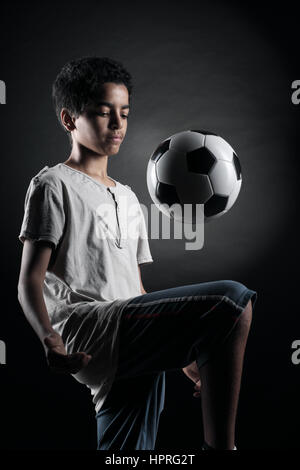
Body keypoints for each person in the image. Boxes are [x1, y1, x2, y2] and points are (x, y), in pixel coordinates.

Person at [17, 56, 257, 451]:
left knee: (126, 453)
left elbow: (135, 286)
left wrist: (183, 354)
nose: (117, 124)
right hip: (91, 325)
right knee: (230, 304)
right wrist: (49, 339)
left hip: (126, 327)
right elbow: (30, 278)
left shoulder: (127, 197)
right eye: (102, 113)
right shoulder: (52, 183)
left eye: (124, 114)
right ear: (69, 119)